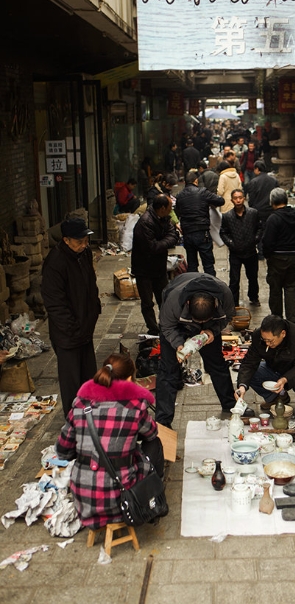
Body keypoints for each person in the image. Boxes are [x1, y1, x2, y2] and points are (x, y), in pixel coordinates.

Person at [55, 353, 165, 529]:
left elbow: (62, 451)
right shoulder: (135, 406)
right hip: (122, 500)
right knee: (154, 443)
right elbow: (151, 433)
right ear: (129, 379)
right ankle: (153, 497)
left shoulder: (80, 404)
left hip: (85, 499)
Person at [156, 273, 238, 427]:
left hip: (210, 328)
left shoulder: (224, 295)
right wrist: (178, 344)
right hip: (176, 325)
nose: (199, 324)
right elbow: (167, 327)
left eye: (203, 321)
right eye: (197, 320)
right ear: (187, 303)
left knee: (216, 364)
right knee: (168, 372)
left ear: (215, 305)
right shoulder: (173, 301)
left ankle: (231, 405)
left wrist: (212, 331)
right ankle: (163, 421)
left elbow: (228, 316)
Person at [41, 218, 101, 417]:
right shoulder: (55, 263)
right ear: (66, 240)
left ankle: (90, 415)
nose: (84, 245)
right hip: (67, 333)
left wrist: (94, 311)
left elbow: (90, 285)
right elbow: (55, 304)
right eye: (79, 241)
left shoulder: (84, 253)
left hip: (85, 326)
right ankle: (74, 422)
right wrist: (73, 328)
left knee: (89, 377)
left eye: (86, 240)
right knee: (71, 381)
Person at [235, 315, 295, 421]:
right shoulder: (258, 336)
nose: (267, 344)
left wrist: (285, 379)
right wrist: (242, 386)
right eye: (264, 340)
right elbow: (249, 363)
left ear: (283, 334)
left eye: (270, 341)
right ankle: (277, 398)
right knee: (252, 373)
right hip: (275, 369)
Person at [131, 194, 179, 336]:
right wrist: (167, 241)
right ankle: (153, 329)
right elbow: (152, 247)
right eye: (170, 207)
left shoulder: (164, 218)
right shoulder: (145, 222)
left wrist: (165, 241)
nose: (172, 210)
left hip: (159, 267)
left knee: (164, 298)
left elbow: (173, 234)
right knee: (147, 302)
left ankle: (166, 325)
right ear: (162, 208)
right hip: (144, 269)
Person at [262, 188, 295, 323]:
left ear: (272, 202)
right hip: (293, 256)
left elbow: (268, 241)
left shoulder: (273, 218)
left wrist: (267, 255)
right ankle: (292, 318)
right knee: (290, 286)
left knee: (275, 288)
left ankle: (277, 316)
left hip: (277, 257)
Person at [175, 170, 224, 275]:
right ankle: (210, 286)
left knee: (192, 265)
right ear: (196, 181)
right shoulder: (203, 192)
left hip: (188, 233)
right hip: (202, 232)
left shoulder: (179, 195)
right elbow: (221, 201)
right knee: (208, 264)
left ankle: (194, 287)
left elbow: (177, 212)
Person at [220, 189, 262, 307]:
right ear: (232, 200)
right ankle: (234, 302)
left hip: (251, 251)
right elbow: (223, 232)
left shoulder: (253, 213)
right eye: (235, 198)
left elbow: (260, 227)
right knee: (234, 280)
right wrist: (231, 243)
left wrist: (255, 239)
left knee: (253, 277)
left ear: (244, 198)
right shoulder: (227, 216)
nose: (238, 200)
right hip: (235, 253)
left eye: (240, 197)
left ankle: (254, 297)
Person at [245, 160, 278, 258]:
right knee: (271, 229)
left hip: (259, 210)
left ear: (257, 169)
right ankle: (271, 249)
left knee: (260, 231)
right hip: (272, 209)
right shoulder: (273, 180)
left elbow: (251, 199)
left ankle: (261, 252)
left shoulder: (253, 182)